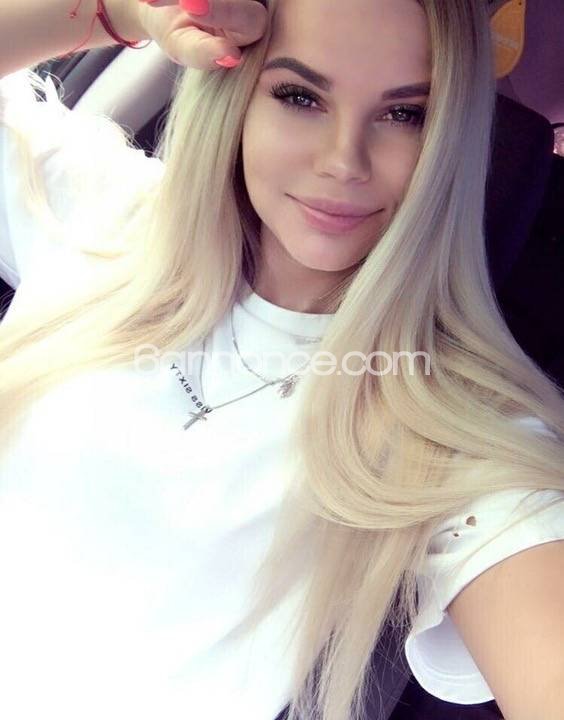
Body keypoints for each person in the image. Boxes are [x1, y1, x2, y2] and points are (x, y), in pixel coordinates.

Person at [0, 1, 563, 719]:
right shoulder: (103, 212)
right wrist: (125, 12)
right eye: (299, 96)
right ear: (234, 93)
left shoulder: (452, 428)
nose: (343, 162)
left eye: (406, 114)